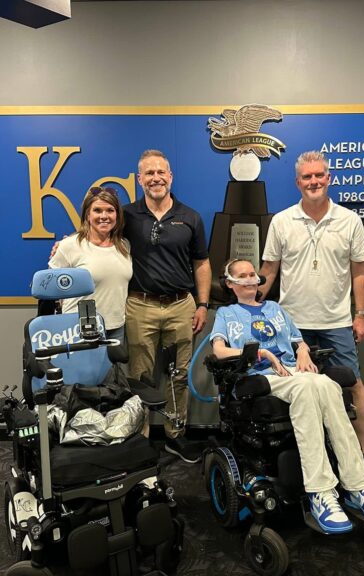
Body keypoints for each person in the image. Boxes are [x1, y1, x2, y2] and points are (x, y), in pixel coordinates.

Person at [211, 258, 364, 534]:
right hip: (260, 377)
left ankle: (359, 487)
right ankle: (320, 492)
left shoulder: (275, 309)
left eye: (252, 274)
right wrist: (262, 353)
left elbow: (299, 341)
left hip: (293, 372)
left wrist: (304, 352)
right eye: (243, 276)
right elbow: (219, 351)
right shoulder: (227, 313)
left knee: (328, 385)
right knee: (308, 387)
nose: (250, 279)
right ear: (230, 283)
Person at [259, 150, 364, 488]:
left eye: (319, 175)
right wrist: (252, 305)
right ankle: (302, 457)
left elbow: (359, 272)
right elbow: (269, 270)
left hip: (336, 322)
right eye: (307, 177)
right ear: (297, 182)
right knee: (294, 389)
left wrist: (359, 315)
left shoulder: (349, 221)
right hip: (291, 324)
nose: (313, 182)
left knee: (353, 384)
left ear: (328, 178)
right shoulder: (282, 221)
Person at [121, 150, 212, 463]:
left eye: (161, 172)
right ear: (140, 179)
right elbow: (98, 237)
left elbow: (201, 263)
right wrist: (67, 244)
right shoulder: (126, 216)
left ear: (170, 177)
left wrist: (203, 304)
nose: (156, 178)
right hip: (140, 305)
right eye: (149, 173)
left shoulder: (190, 217)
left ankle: (176, 434)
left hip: (181, 306)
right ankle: (141, 438)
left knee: (178, 374)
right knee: (140, 376)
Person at [48, 186, 132, 341]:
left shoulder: (124, 246)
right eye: (97, 210)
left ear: (117, 215)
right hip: (79, 329)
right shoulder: (69, 246)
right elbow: (50, 288)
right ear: (87, 214)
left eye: (110, 210)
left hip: (116, 327)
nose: (104, 216)